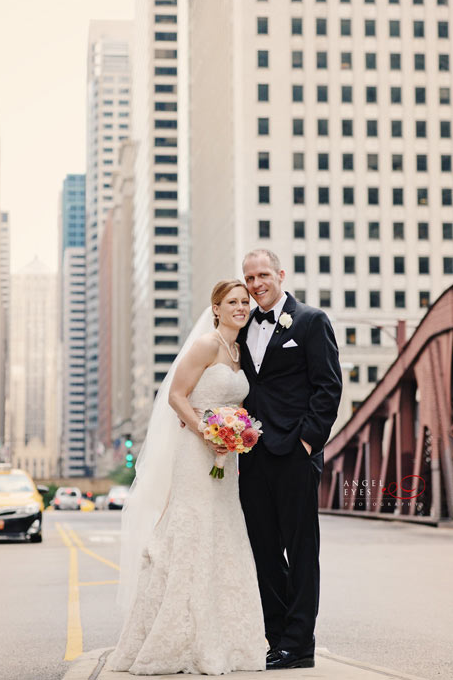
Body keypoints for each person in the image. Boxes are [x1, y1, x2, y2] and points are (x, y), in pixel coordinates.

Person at [109, 279, 265, 675]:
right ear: (215, 308)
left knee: (223, 533)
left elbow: (236, 403)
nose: (240, 308)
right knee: (192, 531)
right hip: (198, 454)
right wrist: (209, 433)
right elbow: (178, 395)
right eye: (232, 302)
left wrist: (238, 434)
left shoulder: (238, 351)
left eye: (245, 302)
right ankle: (179, 638)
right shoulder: (207, 345)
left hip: (226, 460)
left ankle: (226, 639)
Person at [238, 249, 342, 671]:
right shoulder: (243, 326)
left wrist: (307, 443)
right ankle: (277, 637)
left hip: (295, 454)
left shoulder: (310, 321)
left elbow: (328, 387)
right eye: (249, 278)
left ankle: (300, 644)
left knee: (300, 551)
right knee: (263, 551)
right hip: (253, 456)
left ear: (280, 275)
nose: (257, 283)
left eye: (263, 274)